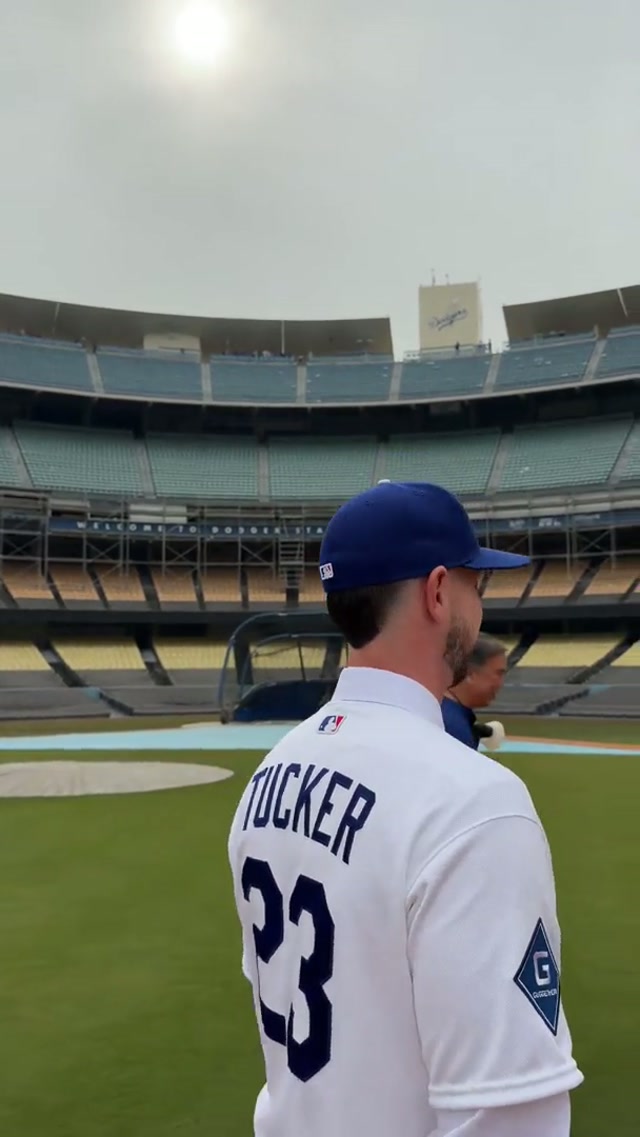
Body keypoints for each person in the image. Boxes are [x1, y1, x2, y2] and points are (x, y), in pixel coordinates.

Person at [228, 481, 583, 1137]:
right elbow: (509, 1112)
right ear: (438, 591)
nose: (479, 605)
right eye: (476, 584)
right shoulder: (475, 802)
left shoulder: (269, 773)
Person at [442, 633, 507, 750]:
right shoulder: (455, 727)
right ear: (470, 674)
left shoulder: (438, 709)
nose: (501, 683)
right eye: (498, 674)